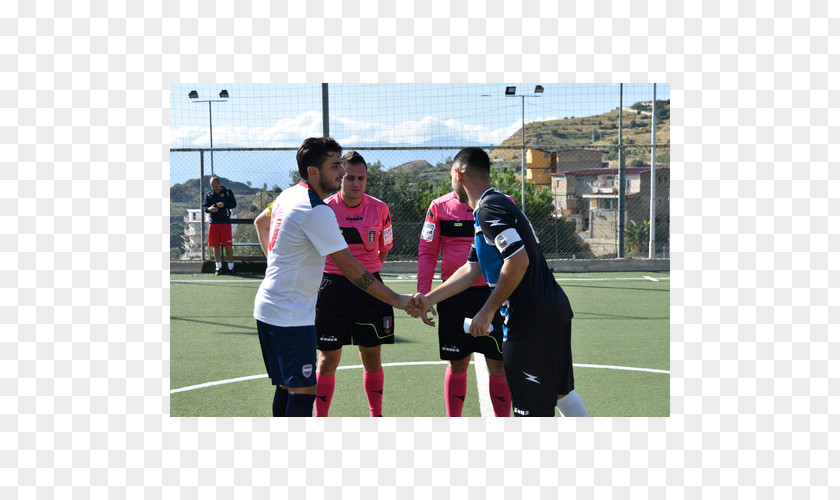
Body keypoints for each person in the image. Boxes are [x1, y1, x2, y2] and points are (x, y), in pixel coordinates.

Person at [413, 147, 588, 417]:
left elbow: (518, 261)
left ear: (458, 174)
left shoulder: (488, 209)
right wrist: (429, 298)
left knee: (530, 411)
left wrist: (487, 311)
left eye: (450, 176)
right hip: (552, 310)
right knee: (561, 392)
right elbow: (471, 269)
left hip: (530, 321)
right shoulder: (494, 206)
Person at [253, 137, 417, 417]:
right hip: (291, 315)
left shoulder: (288, 194)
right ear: (313, 172)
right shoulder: (317, 210)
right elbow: (350, 268)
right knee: (304, 391)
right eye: (335, 167)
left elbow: (261, 222)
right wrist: (399, 299)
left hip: (270, 307)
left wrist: (275, 266)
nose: (342, 173)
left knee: (286, 386)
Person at [418, 189, 512, 417]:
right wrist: (424, 294)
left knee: (499, 364)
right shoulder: (439, 206)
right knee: (457, 362)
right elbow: (427, 252)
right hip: (453, 296)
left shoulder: (503, 203)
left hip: (494, 292)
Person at [313, 151, 394, 417]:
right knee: (327, 360)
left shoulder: (380, 208)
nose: (355, 184)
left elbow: (383, 250)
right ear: (340, 178)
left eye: (361, 178)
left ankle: (376, 416)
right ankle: (320, 418)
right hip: (333, 289)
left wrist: (366, 272)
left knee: (372, 357)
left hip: (371, 291)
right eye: (349, 178)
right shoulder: (324, 208)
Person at [203, 177, 237, 275]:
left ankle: (231, 267)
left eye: (216, 186)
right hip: (213, 223)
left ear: (220, 184)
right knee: (216, 245)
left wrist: (224, 204)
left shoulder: (227, 192)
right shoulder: (209, 194)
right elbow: (205, 208)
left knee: (228, 245)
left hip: (225, 222)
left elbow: (233, 204)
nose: (215, 188)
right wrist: (210, 209)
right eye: (213, 187)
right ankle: (218, 267)